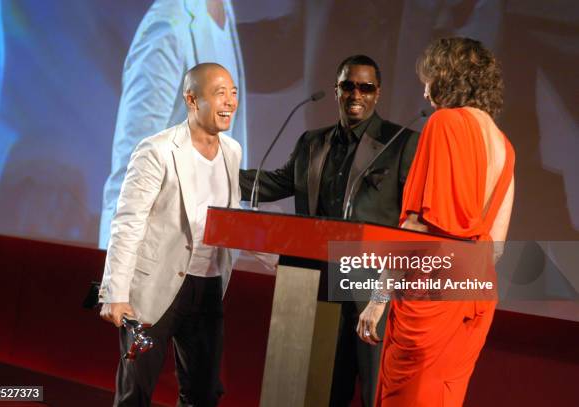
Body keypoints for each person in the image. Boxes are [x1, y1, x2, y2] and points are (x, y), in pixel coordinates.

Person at [240, 55, 420, 407]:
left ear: (377, 93)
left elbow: (410, 222)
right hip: (312, 282)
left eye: (365, 87)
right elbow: (274, 183)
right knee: (316, 391)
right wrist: (212, 168)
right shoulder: (312, 141)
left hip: (368, 287)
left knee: (373, 391)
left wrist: (384, 294)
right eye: (348, 85)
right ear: (337, 90)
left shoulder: (401, 142)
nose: (356, 94)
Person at [357, 37, 515, 406]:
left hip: (430, 296)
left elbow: (417, 227)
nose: (426, 89)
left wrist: (379, 298)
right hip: (475, 296)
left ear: (448, 77)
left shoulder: (446, 123)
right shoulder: (505, 145)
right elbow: (498, 246)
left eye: (429, 78)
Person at [98, 63, 242, 407]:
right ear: (192, 99)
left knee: (203, 393)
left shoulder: (233, 151)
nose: (230, 102)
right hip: (155, 286)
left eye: (233, 93)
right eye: (219, 93)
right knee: (136, 391)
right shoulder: (157, 150)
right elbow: (128, 221)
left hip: (207, 287)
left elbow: (232, 219)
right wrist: (116, 292)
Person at [99, 0, 247, 249]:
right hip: (156, 253)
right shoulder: (169, 23)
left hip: (203, 252)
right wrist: (115, 276)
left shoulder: (226, 11)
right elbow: (133, 166)